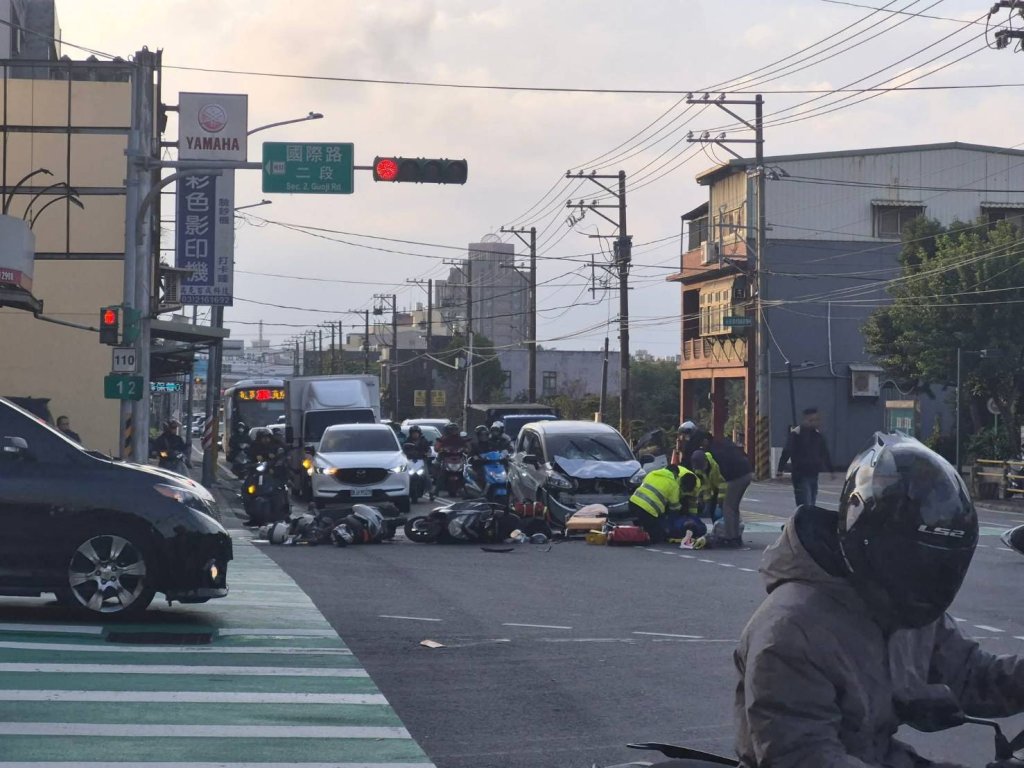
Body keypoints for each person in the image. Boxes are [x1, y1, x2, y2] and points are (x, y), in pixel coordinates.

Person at [733, 432, 1024, 768]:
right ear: (873, 544)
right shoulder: (791, 633)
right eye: (917, 563)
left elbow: (972, 675)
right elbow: (804, 756)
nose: (929, 579)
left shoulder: (903, 606)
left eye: (941, 568)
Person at [697, 435, 753, 549]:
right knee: (733, 508)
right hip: (746, 472)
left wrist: (720, 499)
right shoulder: (716, 449)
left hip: (737, 476)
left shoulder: (714, 459)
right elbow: (707, 486)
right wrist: (707, 501)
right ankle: (736, 537)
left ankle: (730, 539)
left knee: (728, 507)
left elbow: (723, 481)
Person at [628, 464, 702, 544]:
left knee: (648, 525)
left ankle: (637, 530)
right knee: (657, 536)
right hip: (647, 510)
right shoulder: (673, 484)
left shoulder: (652, 473)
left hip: (633, 503)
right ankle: (635, 537)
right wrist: (670, 525)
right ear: (674, 473)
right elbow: (674, 508)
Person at [777, 406, 834, 508]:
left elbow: (824, 453)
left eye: (817, 420)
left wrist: (831, 470)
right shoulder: (797, 434)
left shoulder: (818, 435)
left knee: (811, 503)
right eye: (812, 420)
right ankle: (802, 522)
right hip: (800, 474)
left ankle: (808, 522)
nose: (815, 422)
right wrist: (780, 469)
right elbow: (787, 451)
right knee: (804, 504)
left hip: (813, 474)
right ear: (805, 420)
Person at [690, 449, 724, 524]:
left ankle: (728, 531)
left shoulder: (716, 466)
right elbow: (705, 486)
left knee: (721, 513)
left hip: (727, 487)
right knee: (713, 512)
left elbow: (723, 484)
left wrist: (720, 499)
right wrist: (706, 500)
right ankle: (717, 530)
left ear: (706, 461)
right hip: (715, 489)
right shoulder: (698, 470)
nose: (701, 469)